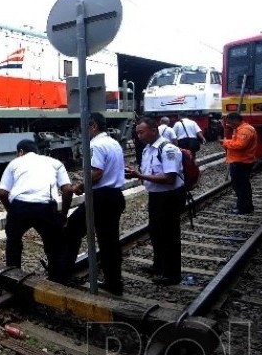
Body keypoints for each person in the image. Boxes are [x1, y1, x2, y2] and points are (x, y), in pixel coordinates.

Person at [63, 112, 126, 295]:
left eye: (84, 127)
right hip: (115, 196)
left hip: (101, 198)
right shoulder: (113, 143)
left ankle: (63, 273)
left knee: (72, 230)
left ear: (93, 126)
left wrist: (80, 186)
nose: (82, 132)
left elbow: (97, 173)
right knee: (110, 242)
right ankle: (114, 284)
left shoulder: (96, 144)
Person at [0, 139, 73, 282]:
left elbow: (2, 193)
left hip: (20, 207)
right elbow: (68, 190)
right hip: (46, 207)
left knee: (13, 241)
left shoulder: (14, 163)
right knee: (54, 245)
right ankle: (57, 281)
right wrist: (62, 214)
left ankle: (13, 279)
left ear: (20, 152)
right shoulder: (55, 162)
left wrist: (11, 211)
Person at [126, 117, 186, 286]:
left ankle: (173, 275)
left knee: (170, 236)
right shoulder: (147, 150)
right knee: (156, 232)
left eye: (141, 132)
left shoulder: (168, 150)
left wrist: (139, 176)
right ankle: (159, 266)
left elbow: (169, 178)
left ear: (154, 130)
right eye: (137, 132)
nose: (139, 136)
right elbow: (151, 173)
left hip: (169, 197)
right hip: (156, 196)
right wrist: (137, 172)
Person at [221, 112, 257, 215]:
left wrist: (225, 142)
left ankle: (244, 208)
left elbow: (240, 145)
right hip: (241, 161)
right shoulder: (242, 129)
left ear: (236, 120)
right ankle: (244, 205)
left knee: (241, 186)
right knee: (242, 186)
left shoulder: (245, 130)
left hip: (241, 162)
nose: (229, 124)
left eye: (230, 122)